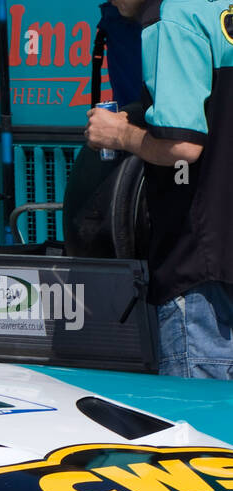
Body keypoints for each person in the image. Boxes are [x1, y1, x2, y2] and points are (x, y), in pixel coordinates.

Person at [85, 0, 233, 379]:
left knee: (200, 432)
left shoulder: (172, 17)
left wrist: (119, 134)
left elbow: (182, 149)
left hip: (200, 268)